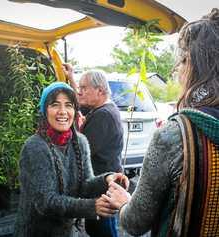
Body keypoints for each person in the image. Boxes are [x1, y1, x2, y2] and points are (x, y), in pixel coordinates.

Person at [102, 8, 219, 237]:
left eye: (181, 64)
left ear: (191, 65)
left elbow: (135, 223)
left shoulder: (175, 136)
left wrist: (124, 202)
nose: (178, 72)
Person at [13, 82, 128, 237]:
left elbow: (84, 185)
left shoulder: (80, 142)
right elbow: (46, 202)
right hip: (36, 231)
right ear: (44, 111)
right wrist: (92, 207)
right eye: (55, 105)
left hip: (67, 232)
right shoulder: (35, 147)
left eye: (68, 105)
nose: (63, 112)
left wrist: (108, 178)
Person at [63, 65, 124, 237]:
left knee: (102, 230)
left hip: (101, 184)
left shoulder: (103, 116)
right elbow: (80, 101)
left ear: (100, 91)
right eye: (79, 88)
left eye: (84, 88)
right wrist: (72, 78)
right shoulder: (103, 109)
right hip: (103, 182)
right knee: (100, 227)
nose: (79, 92)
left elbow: (81, 150)